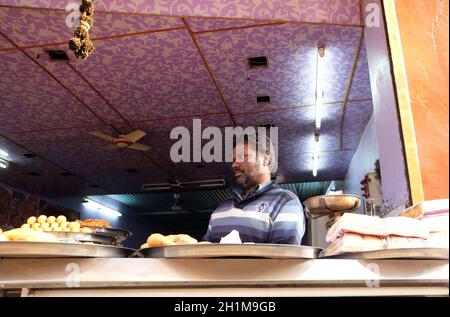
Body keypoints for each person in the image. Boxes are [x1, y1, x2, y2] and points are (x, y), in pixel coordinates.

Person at [202, 134, 306, 244]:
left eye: (242, 157)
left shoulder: (286, 201)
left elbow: (284, 256)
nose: (234, 164)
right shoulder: (220, 209)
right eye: (233, 160)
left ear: (265, 159)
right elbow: (204, 252)